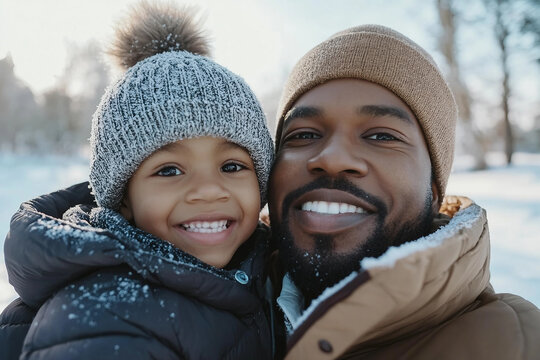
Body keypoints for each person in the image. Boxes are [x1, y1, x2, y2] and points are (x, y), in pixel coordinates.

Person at [0, 2, 275, 359]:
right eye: (169, 170)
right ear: (123, 200)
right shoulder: (107, 318)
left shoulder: (264, 273)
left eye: (232, 166)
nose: (209, 189)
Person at [268, 24, 540, 359]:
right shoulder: (208, 308)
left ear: (436, 191)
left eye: (382, 136)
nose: (333, 158)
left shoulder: (518, 344)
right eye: (304, 135)